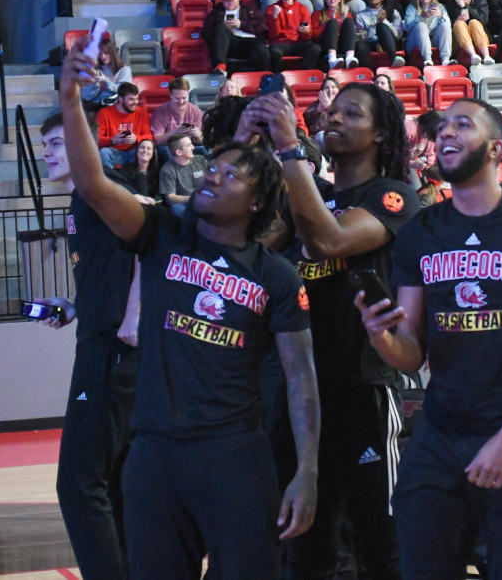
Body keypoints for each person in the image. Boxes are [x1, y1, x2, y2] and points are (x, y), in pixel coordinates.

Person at [60, 36, 321, 579]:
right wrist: (69, 99)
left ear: (256, 203)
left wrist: (307, 470)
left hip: (235, 459)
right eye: (211, 169)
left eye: (231, 175)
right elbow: (91, 182)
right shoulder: (162, 235)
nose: (213, 175)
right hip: (154, 456)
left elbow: (300, 379)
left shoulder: (274, 274)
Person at [355, 96, 502, 579]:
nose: (446, 133)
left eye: (463, 125)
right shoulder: (422, 231)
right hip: (440, 435)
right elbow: (410, 353)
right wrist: (381, 338)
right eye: (441, 127)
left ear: (498, 148)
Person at [241, 82, 418, 579]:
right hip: (299, 394)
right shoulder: (305, 198)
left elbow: (329, 239)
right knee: (303, 543)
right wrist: (248, 148)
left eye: (351, 113)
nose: (333, 117)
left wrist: (289, 149)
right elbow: (247, 246)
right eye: (331, 111)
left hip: (361, 387)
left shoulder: (392, 196)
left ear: (381, 132)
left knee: (379, 543)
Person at [34, 112, 141, 580]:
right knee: (113, 481)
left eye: (58, 142)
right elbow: (113, 270)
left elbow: (150, 243)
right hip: (99, 339)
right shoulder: (82, 202)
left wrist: (136, 315)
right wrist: (75, 306)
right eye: (47, 146)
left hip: (112, 351)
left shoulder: (106, 189)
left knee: (78, 483)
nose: (49, 153)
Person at [201, 0, 271, 74]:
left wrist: (241, 25)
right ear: (222, 0)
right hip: (229, 44)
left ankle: (264, 74)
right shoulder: (216, 11)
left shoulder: (249, 9)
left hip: (249, 41)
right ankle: (220, 65)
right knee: (220, 28)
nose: (230, 3)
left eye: (232, 0)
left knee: (261, 47)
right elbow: (205, 31)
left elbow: (262, 27)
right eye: (226, 0)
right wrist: (222, 30)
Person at [266, 0, 324, 72]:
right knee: (274, 51)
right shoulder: (272, 9)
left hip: (299, 42)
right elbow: (273, 35)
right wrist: (275, 17)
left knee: (315, 48)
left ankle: (301, 73)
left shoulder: (302, 8)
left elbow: (307, 37)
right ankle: (278, 77)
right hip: (280, 43)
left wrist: (306, 32)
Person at [97, 82, 153, 171]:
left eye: (137, 99)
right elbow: (97, 140)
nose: (135, 103)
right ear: (120, 99)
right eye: (131, 99)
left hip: (134, 151)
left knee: (148, 149)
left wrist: (136, 139)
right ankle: (111, 181)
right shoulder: (104, 113)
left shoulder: (141, 112)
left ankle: (142, 180)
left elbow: (149, 136)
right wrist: (113, 140)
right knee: (103, 152)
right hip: (114, 151)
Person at [354, 0, 406, 68]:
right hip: (371, 43)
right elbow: (358, 36)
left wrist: (384, 21)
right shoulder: (360, 15)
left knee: (381, 26)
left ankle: (394, 60)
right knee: (360, 46)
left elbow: (398, 35)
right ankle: (367, 71)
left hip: (391, 43)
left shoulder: (393, 12)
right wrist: (373, 33)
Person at [150, 78, 205, 156]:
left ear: (188, 94)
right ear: (170, 95)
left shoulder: (196, 112)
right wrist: (174, 132)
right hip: (169, 146)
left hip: (190, 146)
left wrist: (198, 136)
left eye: (184, 98)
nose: (181, 102)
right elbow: (158, 141)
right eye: (177, 98)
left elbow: (199, 142)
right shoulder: (160, 112)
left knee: (204, 151)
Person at [158, 134, 209, 217]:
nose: (193, 147)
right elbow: (170, 198)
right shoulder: (167, 169)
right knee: (176, 208)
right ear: (179, 152)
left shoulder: (200, 159)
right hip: (185, 204)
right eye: (189, 145)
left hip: (205, 199)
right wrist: (194, 198)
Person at [405, 0, 454, 66]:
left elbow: (448, 26)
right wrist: (421, 17)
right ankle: (428, 60)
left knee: (445, 25)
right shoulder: (412, 7)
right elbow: (407, 28)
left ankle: (445, 59)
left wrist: (441, 16)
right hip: (415, 41)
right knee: (421, 25)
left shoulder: (440, 7)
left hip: (433, 40)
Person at [447, 0, 494, 65]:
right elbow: (449, 24)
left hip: (481, 38)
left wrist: (465, 7)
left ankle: (487, 57)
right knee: (458, 23)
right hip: (460, 41)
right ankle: (473, 56)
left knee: (474, 22)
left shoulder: (480, 1)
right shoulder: (452, 4)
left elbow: (483, 21)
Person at [312, 0, 359, 69]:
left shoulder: (346, 13)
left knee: (348, 21)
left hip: (340, 44)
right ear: (325, 0)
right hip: (325, 44)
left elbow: (349, 33)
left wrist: (342, 19)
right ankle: (332, 60)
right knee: (333, 22)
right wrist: (329, 22)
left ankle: (349, 58)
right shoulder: (317, 14)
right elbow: (314, 35)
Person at [80, 36, 132, 106]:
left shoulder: (124, 70)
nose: (103, 57)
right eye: (100, 54)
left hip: (114, 105)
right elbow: (84, 94)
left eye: (106, 53)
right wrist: (96, 86)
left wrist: (106, 81)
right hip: (96, 104)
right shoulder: (96, 69)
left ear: (112, 53)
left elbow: (124, 91)